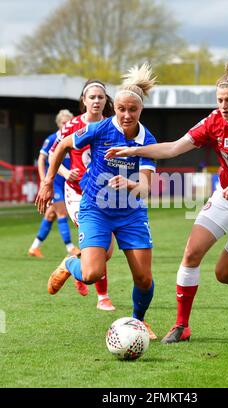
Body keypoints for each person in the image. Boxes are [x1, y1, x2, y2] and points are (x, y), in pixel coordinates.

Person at [105, 61, 228, 343]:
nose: (223, 106)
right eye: (220, 100)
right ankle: (181, 326)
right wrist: (134, 150)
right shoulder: (213, 121)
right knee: (191, 253)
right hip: (225, 197)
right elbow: (174, 148)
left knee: (223, 274)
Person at [35, 63, 158, 339]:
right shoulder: (100, 129)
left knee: (144, 279)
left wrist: (131, 184)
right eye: (122, 109)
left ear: (141, 110)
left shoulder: (146, 138)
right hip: (96, 209)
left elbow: (147, 186)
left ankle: (138, 322)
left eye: (133, 110)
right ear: (115, 109)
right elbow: (63, 146)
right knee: (91, 273)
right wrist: (47, 182)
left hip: (131, 213)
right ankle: (70, 264)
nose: (126, 115)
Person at [49, 79, 116, 311]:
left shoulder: (111, 125)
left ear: (106, 100)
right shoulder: (72, 126)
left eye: (101, 97)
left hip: (104, 196)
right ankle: (103, 297)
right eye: (92, 97)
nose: (97, 101)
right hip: (78, 195)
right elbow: (52, 155)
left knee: (106, 253)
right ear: (84, 101)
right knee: (101, 245)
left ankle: (73, 265)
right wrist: (66, 173)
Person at [28, 109, 80, 259]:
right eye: (63, 122)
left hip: (67, 184)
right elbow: (41, 159)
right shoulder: (53, 139)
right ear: (58, 124)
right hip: (54, 184)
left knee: (51, 215)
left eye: (68, 122)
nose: (66, 125)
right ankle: (70, 247)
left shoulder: (75, 139)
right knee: (62, 212)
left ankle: (34, 247)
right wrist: (44, 179)